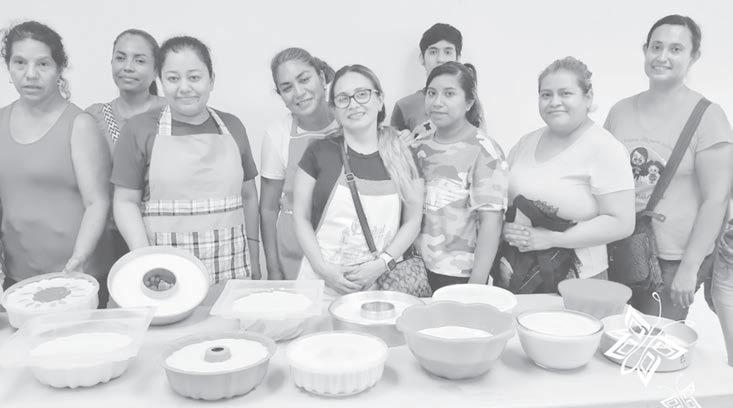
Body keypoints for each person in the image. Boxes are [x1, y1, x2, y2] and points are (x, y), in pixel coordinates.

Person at [605, 15, 733, 320]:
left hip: (672, 261)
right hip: (619, 248)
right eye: (656, 47)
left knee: (655, 342)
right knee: (611, 335)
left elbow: (716, 199)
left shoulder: (708, 116)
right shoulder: (620, 111)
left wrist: (690, 267)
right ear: (645, 50)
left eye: (676, 49)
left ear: (693, 57)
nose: (662, 56)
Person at [112, 36, 261, 288]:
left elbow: (248, 195)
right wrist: (144, 260)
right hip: (165, 274)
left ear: (211, 80)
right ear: (161, 81)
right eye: (173, 78)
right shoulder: (139, 130)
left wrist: (254, 252)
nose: (184, 87)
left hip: (232, 272)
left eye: (194, 77)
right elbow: (125, 202)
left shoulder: (233, 126)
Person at [0, 21, 113, 305]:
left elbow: (97, 202)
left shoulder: (80, 125)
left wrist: (79, 259)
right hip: (19, 280)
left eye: (43, 64)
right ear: (8, 67)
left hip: (79, 277)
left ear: (59, 68)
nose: (31, 74)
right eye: (20, 62)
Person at [500, 57, 635, 291]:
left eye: (565, 93)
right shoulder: (526, 142)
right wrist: (505, 228)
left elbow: (621, 223)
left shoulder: (605, 148)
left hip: (578, 282)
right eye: (546, 95)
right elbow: (503, 200)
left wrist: (551, 238)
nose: (554, 102)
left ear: (588, 97)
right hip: (518, 274)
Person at [292, 64, 424, 298]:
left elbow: (413, 221)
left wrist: (381, 264)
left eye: (362, 94)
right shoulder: (318, 152)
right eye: (343, 99)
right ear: (334, 109)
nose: (353, 104)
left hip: (378, 284)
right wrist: (323, 270)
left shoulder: (404, 155)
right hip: (320, 285)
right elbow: (300, 217)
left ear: (380, 100)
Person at [413, 61, 507, 290]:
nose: (437, 102)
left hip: (459, 274)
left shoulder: (483, 150)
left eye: (449, 94)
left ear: (469, 102)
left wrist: (476, 284)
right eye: (432, 93)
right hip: (416, 268)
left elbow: (491, 222)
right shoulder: (419, 146)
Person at [86, 29, 165, 266]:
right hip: (108, 237)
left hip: (163, 233)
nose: (128, 67)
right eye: (121, 58)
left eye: (139, 60)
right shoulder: (93, 117)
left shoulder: (172, 113)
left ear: (156, 70)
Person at [260, 48, 339, 280]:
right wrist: (273, 269)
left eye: (304, 79)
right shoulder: (278, 134)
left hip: (346, 251)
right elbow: (268, 208)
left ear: (321, 77)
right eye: (287, 88)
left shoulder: (350, 122)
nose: (298, 92)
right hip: (294, 256)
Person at [391, 23, 462, 133]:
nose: (441, 59)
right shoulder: (404, 106)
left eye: (448, 52)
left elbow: (481, 141)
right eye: (433, 52)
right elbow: (392, 143)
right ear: (422, 58)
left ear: (458, 59)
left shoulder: (468, 102)